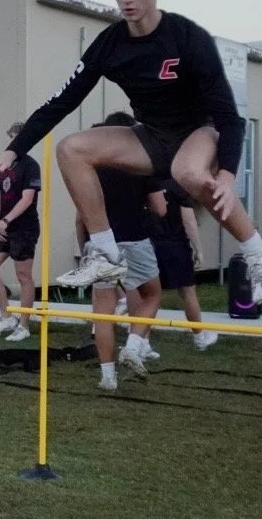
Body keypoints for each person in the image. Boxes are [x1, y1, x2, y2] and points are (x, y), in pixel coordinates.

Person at [0, 0, 262, 305]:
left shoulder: (187, 37)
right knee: (70, 149)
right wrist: (11, 152)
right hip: (151, 135)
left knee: (187, 172)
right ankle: (106, 253)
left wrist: (228, 176)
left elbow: (229, 117)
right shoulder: (110, 44)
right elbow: (60, 103)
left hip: (198, 131)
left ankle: (260, 255)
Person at [61, 113, 164, 391]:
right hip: (136, 240)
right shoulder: (141, 165)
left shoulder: (92, 167)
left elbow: (81, 217)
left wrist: (85, 250)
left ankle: (108, 376)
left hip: (101, 244)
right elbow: (161, 207)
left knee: (103, 311)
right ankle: (133, 345)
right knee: (152, 295)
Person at [0, 122, 40, 342]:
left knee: (23, 275)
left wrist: (6, 221)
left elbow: (27, 199)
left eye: (17, 138)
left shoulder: (31, 166)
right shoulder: (5, 165)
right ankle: (6, 316)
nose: (13, 142)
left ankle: (24, 325)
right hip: (3, 226)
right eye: (11, 138)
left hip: (24, 228)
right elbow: (0, 195)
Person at [148, 180, 218, 352]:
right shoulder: (179, 185)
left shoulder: (147, 179)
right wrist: (198, 249)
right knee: (188, 292)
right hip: (176, 244)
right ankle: (200, 337)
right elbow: (188, 219)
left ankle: (142, 341)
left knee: (148, 295)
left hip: (148, 244)